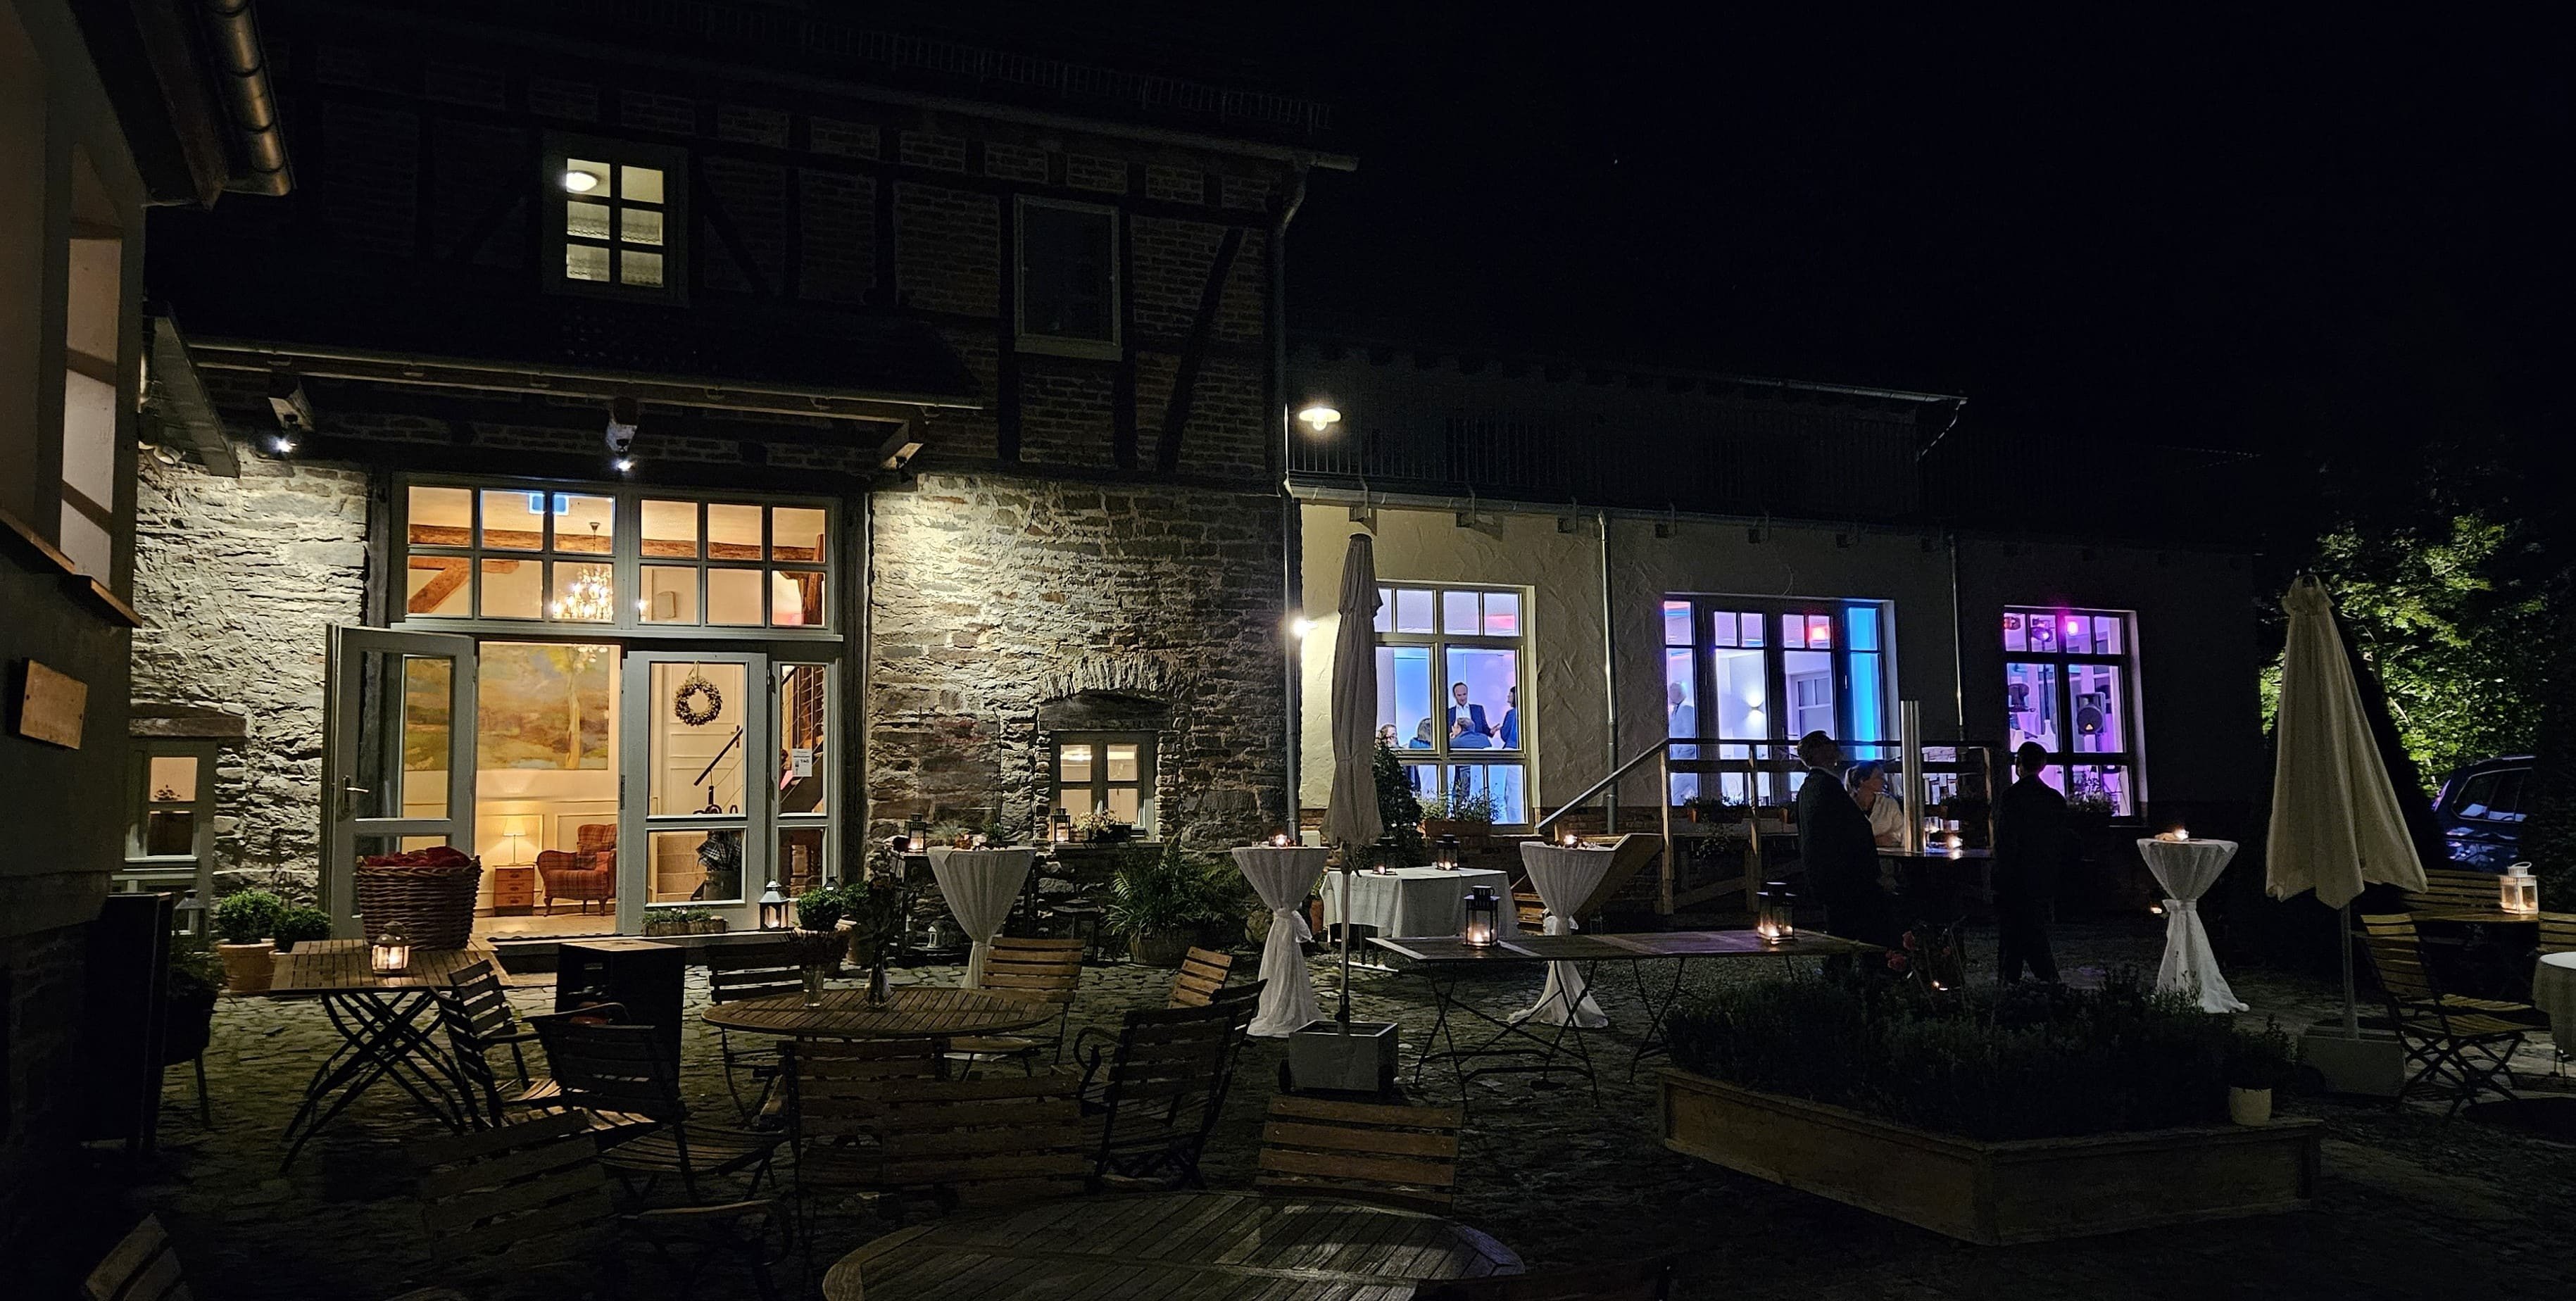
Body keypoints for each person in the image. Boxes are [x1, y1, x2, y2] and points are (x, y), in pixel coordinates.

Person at [1795, 731, 1898, 950]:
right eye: (1829, 743)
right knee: (1855, 930)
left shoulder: (1809, 788)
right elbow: (1853, 831)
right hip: (1845, 875)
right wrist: (1871, 871)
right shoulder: (1828, 788)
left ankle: (1843, 973)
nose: (1836, 746)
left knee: (1840, 929)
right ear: (1819, 752)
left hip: (1827, 874)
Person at [1992, 742, 2068, 983]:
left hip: (2016, 876)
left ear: (2019, 764)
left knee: (2014, 931)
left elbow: (2006, 840)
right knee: (2029, 928)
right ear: (2043, 765)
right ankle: (2036, 979)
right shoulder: (2054, 799)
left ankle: (2014, 980)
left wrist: (1999, 875)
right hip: (2043, 875)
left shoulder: (2012, 797)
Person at [1847, 761, 1907, 847]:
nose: (1884, 780)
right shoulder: (1846, 804)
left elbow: (1902, 832)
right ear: (1863, 780)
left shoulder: (1888, 803)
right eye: (1879, 777)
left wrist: (1890, 838)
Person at [1447, 682, 1493, 747]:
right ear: (1454, 696)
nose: (1463, 698)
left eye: (1464, 694)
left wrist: (1491, 732)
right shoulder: (1449, 713)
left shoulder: (1478, 710)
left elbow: (1485, 729)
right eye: (1459, 695)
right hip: (1457, 747)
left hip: (1476, 746)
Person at [1497, 685, 1519, 750]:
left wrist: (1502, 728)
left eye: (1510, 695)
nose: (1508, 698)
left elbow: (1505, 734)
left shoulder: (1511, 713)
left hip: (1512, 747)